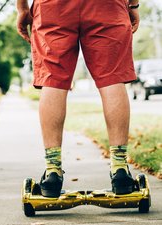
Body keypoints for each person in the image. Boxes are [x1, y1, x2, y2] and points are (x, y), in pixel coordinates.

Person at [17, 0, 140, 198]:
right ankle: (120, 169)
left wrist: (22, 7)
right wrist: (133, 5)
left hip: (53, 6)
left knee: (52, 79)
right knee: (112, 78)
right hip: (106, 5)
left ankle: (52, 171)